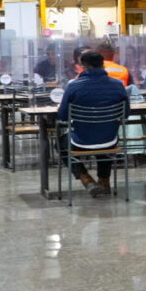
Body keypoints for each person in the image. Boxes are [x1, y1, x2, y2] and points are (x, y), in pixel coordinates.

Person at [56, 50, 130, 197]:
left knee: (60, 143)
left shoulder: (73, 86)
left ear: (82, 66)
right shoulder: (117, 85)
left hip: (80, 140)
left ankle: (86, 180)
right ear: (103, 65)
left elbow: (62, 116)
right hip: (110, 140)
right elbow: (126, 114)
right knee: (105, 141)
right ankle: (104, 181)